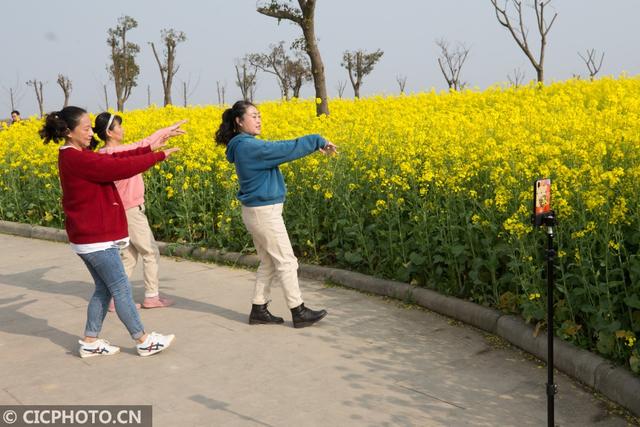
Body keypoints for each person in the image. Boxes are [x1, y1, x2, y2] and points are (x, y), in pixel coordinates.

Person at [39, 106, 178, 358]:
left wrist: (152, 145)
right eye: (86, 128)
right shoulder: (76, 158)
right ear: (69, 132)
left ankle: (90, 341)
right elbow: (118, 168)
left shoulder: (75, 154)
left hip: (89, 237)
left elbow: (115, 159)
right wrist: (158, 156)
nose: (92, 132)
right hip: (95, 239)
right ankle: (143, 340)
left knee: (103, 290)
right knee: (121, 289)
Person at [215, 100, 337, 328]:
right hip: (264, 213)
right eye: (253, 115)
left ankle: (259, 309)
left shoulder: (243, 145)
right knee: (287, 261)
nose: (259, 119)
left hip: (256, 212)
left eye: (259, 115)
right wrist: (316, 140)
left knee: (269, 262)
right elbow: (283, 149)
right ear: (239, 122)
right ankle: (298, 311)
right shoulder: (249, 147)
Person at [93, 112, 186, 310]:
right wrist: (165, 132)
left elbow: (142, 148)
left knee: (129, 256)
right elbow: (143, 146)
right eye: (119, 127)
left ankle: (114, 299)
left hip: (119, 211)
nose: (123, 129)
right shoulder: (115, 153)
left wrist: (163, 136)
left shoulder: (102, 155)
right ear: (110, 132)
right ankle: (152, 297)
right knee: (150, 252)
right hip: (131, 211)